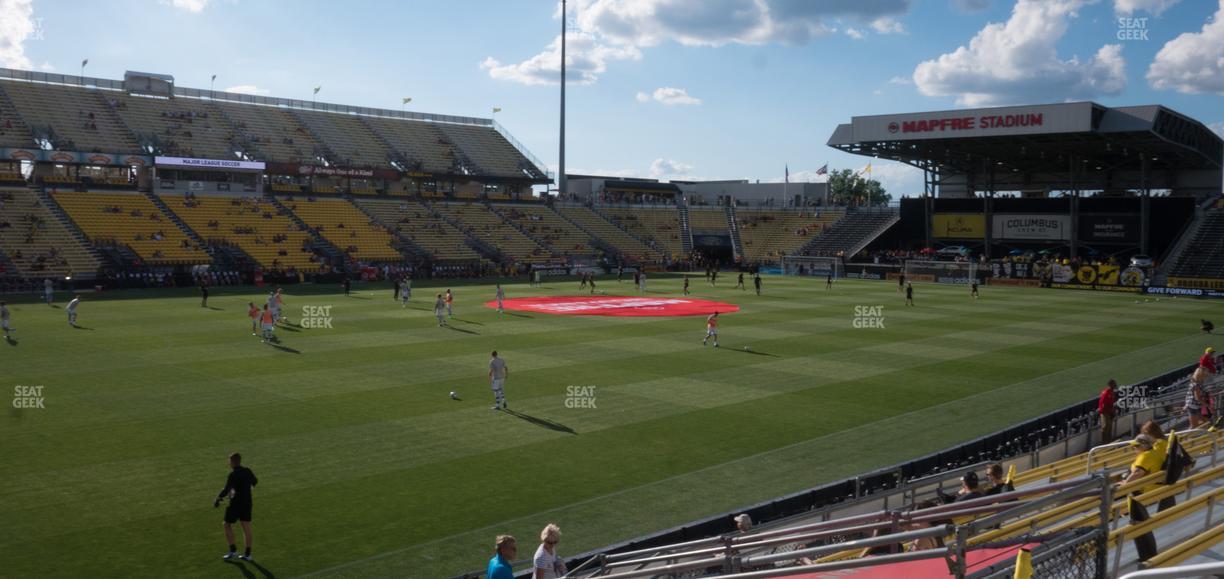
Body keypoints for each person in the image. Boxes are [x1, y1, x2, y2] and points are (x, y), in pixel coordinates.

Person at [214, 452, 258, 561]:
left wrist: (218, 498)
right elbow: (255, 482)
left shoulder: (233, 475)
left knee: (226, 525)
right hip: (247, 503)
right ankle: (248, 554)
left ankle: (233, 551)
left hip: (236, 504)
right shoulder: (247, 471)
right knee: (246, 527)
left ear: (233, 462)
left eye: (229, 461)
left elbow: (226, 489)